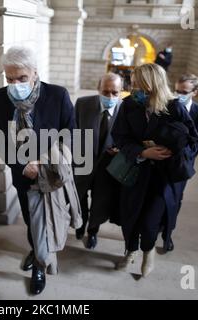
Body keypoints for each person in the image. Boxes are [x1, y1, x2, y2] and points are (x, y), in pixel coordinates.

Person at [0, 46, 76, 294]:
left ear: (35, 73)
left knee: (50, 219)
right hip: (22, 174)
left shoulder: (57, 95)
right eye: (10, 79)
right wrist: (20, 164)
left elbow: (70, 133)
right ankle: (37, 250)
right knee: (31, 218)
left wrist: (44, 161)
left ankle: (40, 265)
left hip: (52, 173)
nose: (15, 84)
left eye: (22, 78)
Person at [113, 63, 198, 277]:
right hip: (135, 171)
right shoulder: (129, 106)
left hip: (162, 176)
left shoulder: (175, 108)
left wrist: (173, 148)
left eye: (140, 87)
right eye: (133, 86)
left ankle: (148, 252)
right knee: (130, 217)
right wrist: (143, 153)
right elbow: (120, 137)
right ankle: (130, 250)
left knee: (150, 222)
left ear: (154, 86)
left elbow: (192, 141)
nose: (135, 92)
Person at [160, 73, 198, 252]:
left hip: (181, 164)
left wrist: (185, 161)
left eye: (184, 92)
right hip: (162, 160)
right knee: (159, 196)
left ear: (194, 92)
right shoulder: (168, 107)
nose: (179, 94)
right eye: (176, 90)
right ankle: (157, 225)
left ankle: (168, 233)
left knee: (175, 199)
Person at [74, 73, 123, 249]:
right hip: (83, 162)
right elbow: (73, 131)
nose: (110, 96)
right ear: (98, 89)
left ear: (121, 92)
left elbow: (131, 140)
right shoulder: (82, 104)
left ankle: (93, 231)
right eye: (106, 91)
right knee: (79, 197)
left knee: (100, 201)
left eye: (115, 93)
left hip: (107, 167)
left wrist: (121, 149)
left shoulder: (125, 110)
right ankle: (80, 225)